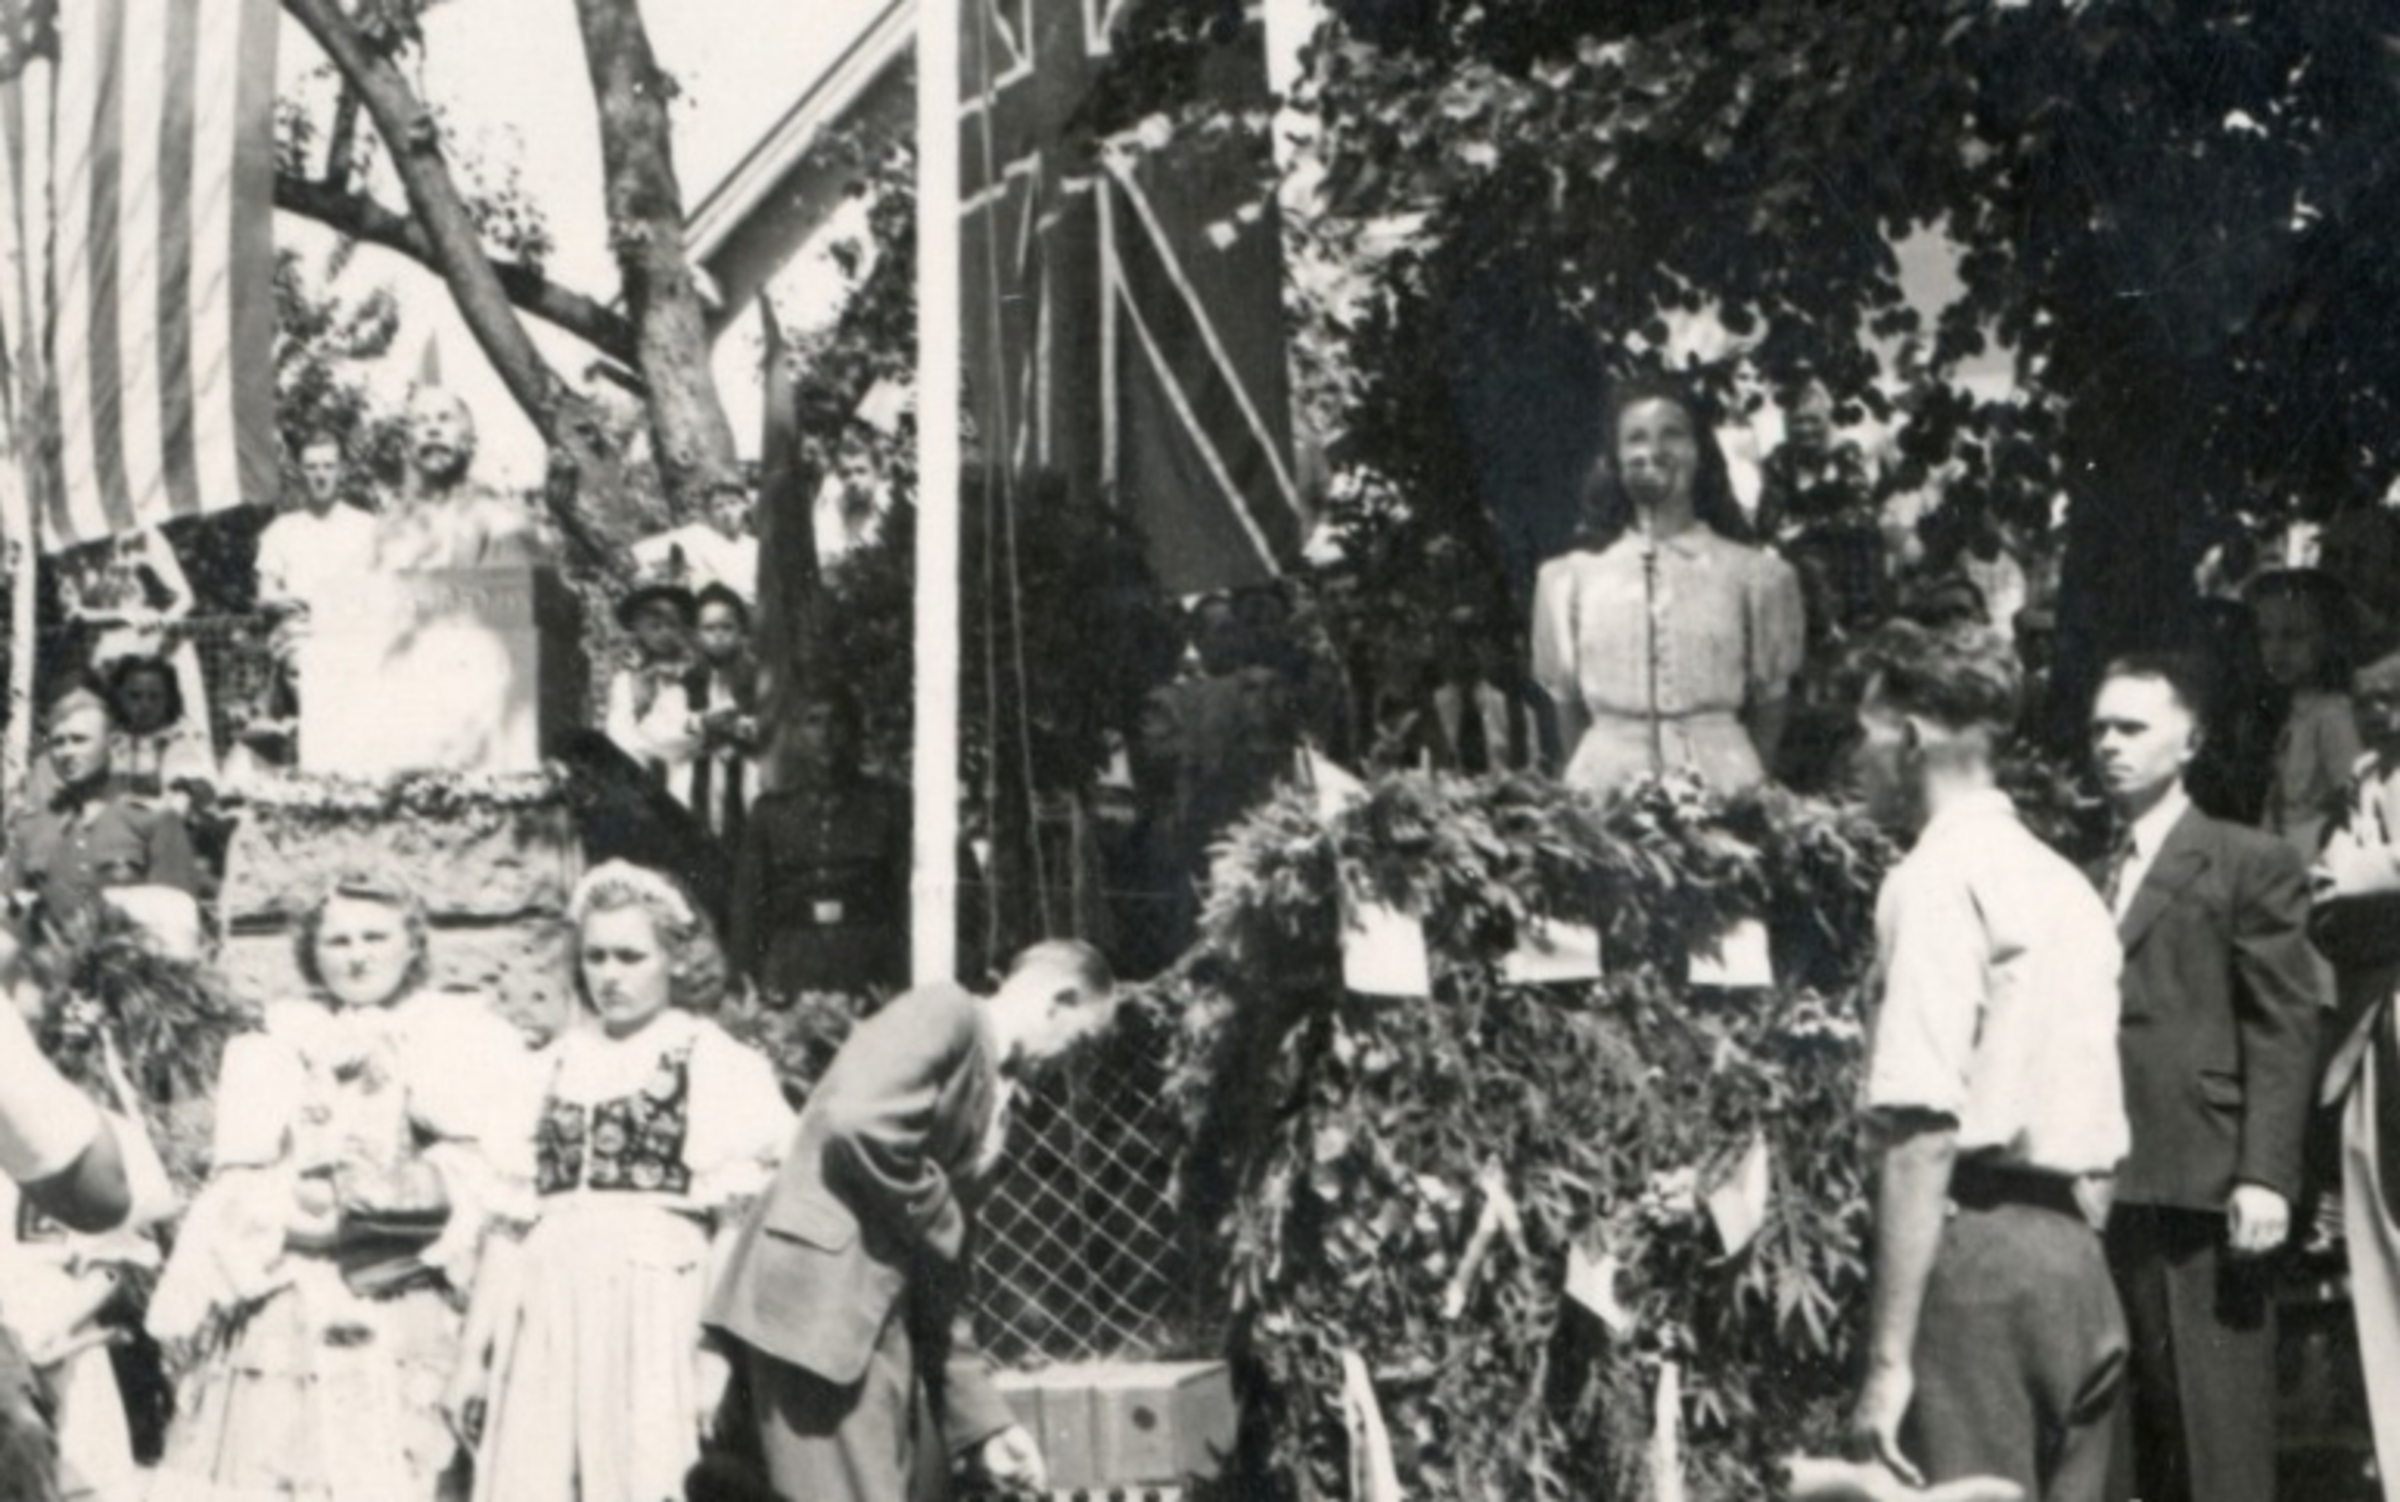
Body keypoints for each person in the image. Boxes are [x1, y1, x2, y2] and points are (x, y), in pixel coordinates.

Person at [1839, 621, 2128, 1501]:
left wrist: (1888, 1362)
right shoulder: (2065, 883)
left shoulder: (1935, 878)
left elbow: (1924, 1126)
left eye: (1865, 733)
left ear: (1911, 738)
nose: (1856, 757)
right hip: (2076, 1267)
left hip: (1973, 1268)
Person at [145, 872, 532, 1502]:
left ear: (412, 943)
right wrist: (288, 1212)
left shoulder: (451, 1036)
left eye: (376, 937)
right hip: (293, 1284)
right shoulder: (278, 1041)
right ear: (311, 951)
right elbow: (238, 1182)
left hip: (402, 1283)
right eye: (339, 941)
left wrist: (406, 1196)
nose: (357, 956)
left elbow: (485, 1178)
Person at [704, 940, 1120, 1501]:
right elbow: (856, 1122)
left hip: (866, 1332)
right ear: (1059, 1001)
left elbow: (942, 1274)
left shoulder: (994, 1093)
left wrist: (984, 1426)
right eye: (1083, 1042)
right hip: (818, 1317)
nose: (1072, 1066)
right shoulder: (947, 1012)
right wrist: (943, 1218)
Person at [451, 862, 790, 1502]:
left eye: (631, 956)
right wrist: (473, 1358)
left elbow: (733, 1231)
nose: (610, 975)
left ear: (676, 959)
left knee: (646, 1473)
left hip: (658, 1313)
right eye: (596, 956)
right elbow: (507, 1229)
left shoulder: (711, 1061)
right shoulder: (546, 1068)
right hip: (547, 1313)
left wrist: (714, 1356)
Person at [2087, 652, 2321, 1502]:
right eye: (2100, 729)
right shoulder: (2090, 871)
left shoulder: (2246, 860)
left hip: (2205, 1182)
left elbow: (2283, 1024)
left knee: (2214, 1442)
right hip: (2105, 1181)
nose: (2110, 745)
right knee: (2122, 1442)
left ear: (2190, 742)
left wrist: (2266, 1175)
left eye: (2132, 727)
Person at [1529, 374, 1805, 796]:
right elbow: (1566, 706)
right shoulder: (1570, 579)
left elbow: (1770, 705)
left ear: (1699, 452)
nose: (1653, 451)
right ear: (1616, 458)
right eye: (1635, 438)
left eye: (1672, 434)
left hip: (1725, 782)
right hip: (1605, 785)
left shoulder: (1756, 577)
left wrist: (1746, 796)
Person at [2309, 638, 2400, 1486]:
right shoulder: (2363, 782)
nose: (2381, 710)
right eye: (2368, 697)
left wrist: (2368, 872)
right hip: (2375, 1024)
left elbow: (2354, 881)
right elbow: (2327, 897)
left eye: (2395, 695)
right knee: (2377, 1226)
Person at [0, 940, 137, 1502]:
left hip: (59, 1328)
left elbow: (113, 1249)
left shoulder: (71, 1121)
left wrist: (60, 1320)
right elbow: (101, 1198)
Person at [731, 689, 908, 999]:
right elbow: (748, 906)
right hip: (792, 961)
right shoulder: (771, 812)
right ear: (797, 736)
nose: (825, 734)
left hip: (868, 960)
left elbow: (906, 896)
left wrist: (901, 973)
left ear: (854, 731)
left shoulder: (888, 805)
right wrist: (745, 978)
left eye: (836, 721)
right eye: (812, 722)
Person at [2, 691, 199, 926]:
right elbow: (8, 921)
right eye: (58, 742)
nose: (67, 752)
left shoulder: (154, 821)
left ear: (112, 743)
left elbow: (178, 918)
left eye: (79, 740)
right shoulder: (31, 828)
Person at [2248, 569, 2365, 861]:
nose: (2276, 649)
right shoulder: (2289, 711)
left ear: (2330, 638)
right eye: (2265, 636)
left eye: (2292, 635)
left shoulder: (2331, 714)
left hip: (2313, 856)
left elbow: (2352, 798)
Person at [371, 387, 544, 572]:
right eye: (421, 421)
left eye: (445, 419)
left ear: (470, 442)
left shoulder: (501, 522)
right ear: (408, 445)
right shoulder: (388, 528)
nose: (432, 429)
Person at [256, 430, 379, 662]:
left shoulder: (367, 527)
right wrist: (283, 601)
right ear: (299, 471)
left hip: (355, 638)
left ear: (341, 471)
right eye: (311, 467)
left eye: (328, 466)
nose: (320, 475)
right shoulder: (281, 530)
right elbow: (265, 593)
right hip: (302, 639)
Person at [603, 581, 701, 783]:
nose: (664, 633)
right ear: (639, 630)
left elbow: (695, 732)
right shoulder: (626, 680)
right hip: (642, 773)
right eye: (655, 626)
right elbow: (620, 734)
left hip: (687, 773)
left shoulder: (693, 675)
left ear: (683, 628)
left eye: (672, 625)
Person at [100, 655, 218, 815]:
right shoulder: (111, 737)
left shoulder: (182, 736)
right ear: (119, 696)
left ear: (169, 699)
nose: (145, 705)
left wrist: (189, 788)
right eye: (135, 696)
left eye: (155, 697)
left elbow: (203, 787)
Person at [632, 479, 759, 606]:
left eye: (733, 503)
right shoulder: (696, 535)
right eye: (718, 507)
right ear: (708, 513)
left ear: (745, 505)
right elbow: (641, 553)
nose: (727, 512)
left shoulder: (755, 546)